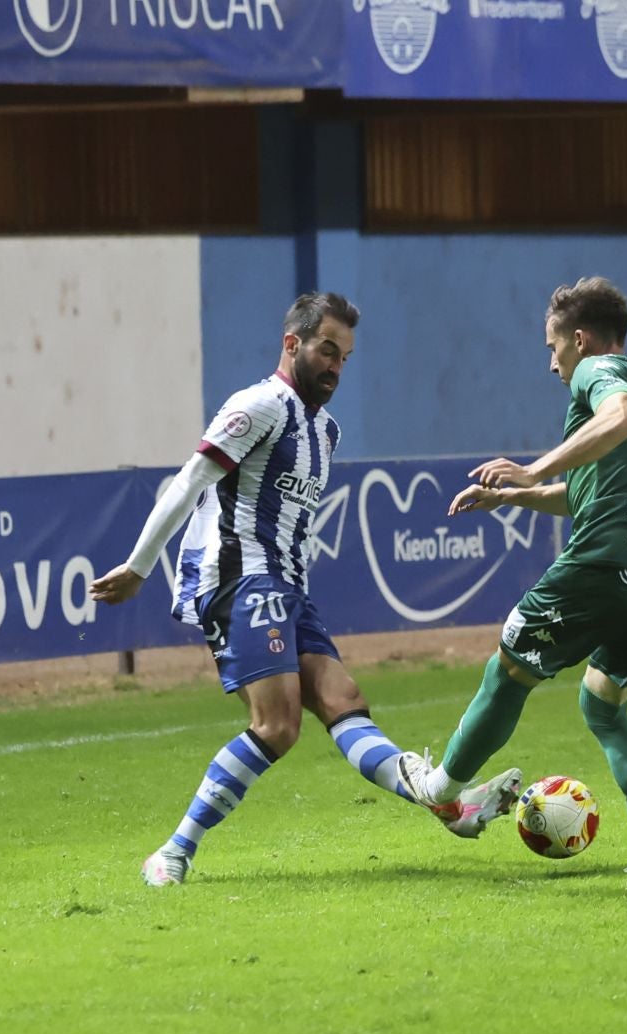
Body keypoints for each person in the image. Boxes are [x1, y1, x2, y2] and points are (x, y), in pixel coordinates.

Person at [91, 292, 522, 886]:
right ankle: (172, 852)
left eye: (344, 357)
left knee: (343, 701)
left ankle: (445, 803)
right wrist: (139, 566)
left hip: (288, 585)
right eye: (326, 351)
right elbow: (193, 479)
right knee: (278, 726)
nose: (336, 368)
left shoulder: (326, 430)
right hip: (240, 577)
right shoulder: (257, 405)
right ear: (292, 344)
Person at [396, 277, 627, 889]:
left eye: (553, 346)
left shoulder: (601, 373)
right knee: (602, 707)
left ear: (580, 340)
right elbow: (588, 494)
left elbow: (619, 418)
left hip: (606, 563)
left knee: (508, 669)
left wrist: (531, 465)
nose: (551, 362)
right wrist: (521, 495)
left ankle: (442, 790)